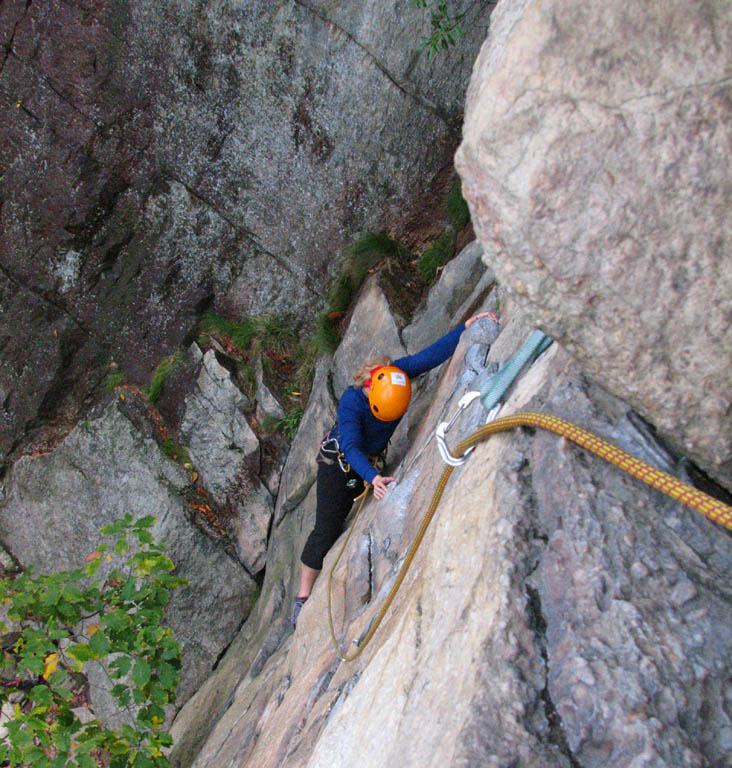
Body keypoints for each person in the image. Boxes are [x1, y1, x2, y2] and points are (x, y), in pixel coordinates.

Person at [292, 311, 498, 627]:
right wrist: (372, 478)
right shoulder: (352, 402)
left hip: (364, 466)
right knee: (327, 529)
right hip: (338, 467)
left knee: (338, 523)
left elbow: (428, 357)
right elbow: (349, 445)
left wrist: (466, 328)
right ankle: (302, 598)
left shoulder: (395, 375)